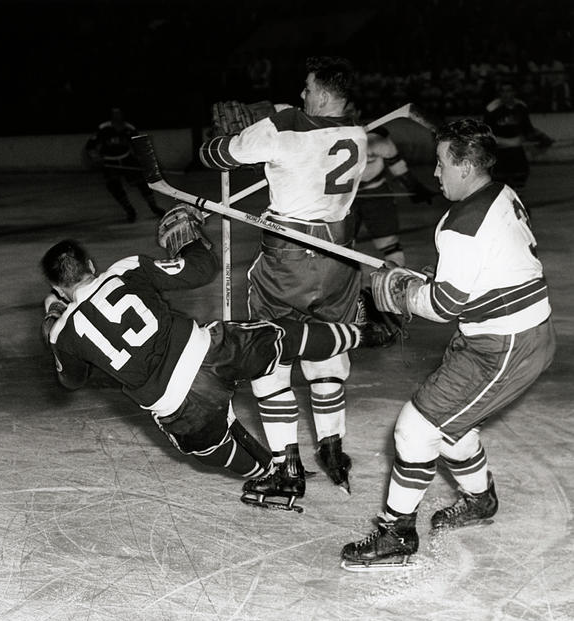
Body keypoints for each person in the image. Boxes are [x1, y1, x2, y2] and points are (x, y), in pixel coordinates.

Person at [40, 205, 395, 511]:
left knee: (210, 446)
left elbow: (71, 380)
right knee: (280, 338)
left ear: (58, 289)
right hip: (209, 352)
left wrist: (51, 325)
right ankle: (366, 333)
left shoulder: (63, 333)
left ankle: (275, 474)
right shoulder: (125, 270)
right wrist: (190, 239)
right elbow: (202, 270)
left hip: (177, 405)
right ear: (90, 264)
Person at [341, 118, 555, 570]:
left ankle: (396, 534)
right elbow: (485, 274)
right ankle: (480, 499)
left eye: (441, 163)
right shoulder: (501, 193)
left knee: (416, 430)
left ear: (463, 166)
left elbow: (444, 305)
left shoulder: (462, 223)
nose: (435, 173)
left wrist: (399, 292)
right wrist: (421, 282)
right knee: (451, 426)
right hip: (512, 333)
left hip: (503, 345)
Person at [199, 56, 367, 497]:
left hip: (289, 259)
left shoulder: (284, 124)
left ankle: (285, 465)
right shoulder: (356, 129)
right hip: (340, 258)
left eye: (308, 87)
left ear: (325, 94)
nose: (302, 93)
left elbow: (220, 156)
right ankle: (333, 448)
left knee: (267, 350)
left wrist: (223, 139)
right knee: (326, 345)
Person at [351, 108, 439, 267]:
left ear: (357, 112)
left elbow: (398, 167)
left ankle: (395, 283)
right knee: (341, 244)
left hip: (376, 193)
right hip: (344, 198)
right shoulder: (327, 137)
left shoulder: (377, 138)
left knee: (389, 242)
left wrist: (415, 188)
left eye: (350, 110)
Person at [84, 107, 166, 223]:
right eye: (115, 114)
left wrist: (147, 162)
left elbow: (139, 148)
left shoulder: (129, 128)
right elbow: (90, 145)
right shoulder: (103, 128)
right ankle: (129, 210)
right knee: (114, 187)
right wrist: (95, 158)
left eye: (119, 114)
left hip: (126, 158)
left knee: (141, 183)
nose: (117, 117)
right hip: (109, 162)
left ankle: (154, 206)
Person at [483, 81, 553, 199]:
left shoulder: (521, 107)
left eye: (509, 91)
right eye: (503, 91)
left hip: (516, 149)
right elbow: (486, 132)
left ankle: (519, 201)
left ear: (514, 92)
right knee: (501, 179)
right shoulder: (492, 109)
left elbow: (527, 128)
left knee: (521, 175)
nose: (506, 94)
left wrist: (541, 137)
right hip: (500, 150)